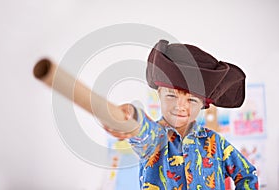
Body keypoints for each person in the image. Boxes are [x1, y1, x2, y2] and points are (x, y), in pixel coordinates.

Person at [104, 40, 259, 189]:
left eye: (191, 99)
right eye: (171, 96)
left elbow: (247, 175)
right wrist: (131, 117)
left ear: (203, 105)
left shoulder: (216, 143)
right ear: (159, 94)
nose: (180, 106)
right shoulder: (154, 139)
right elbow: (140, 129)